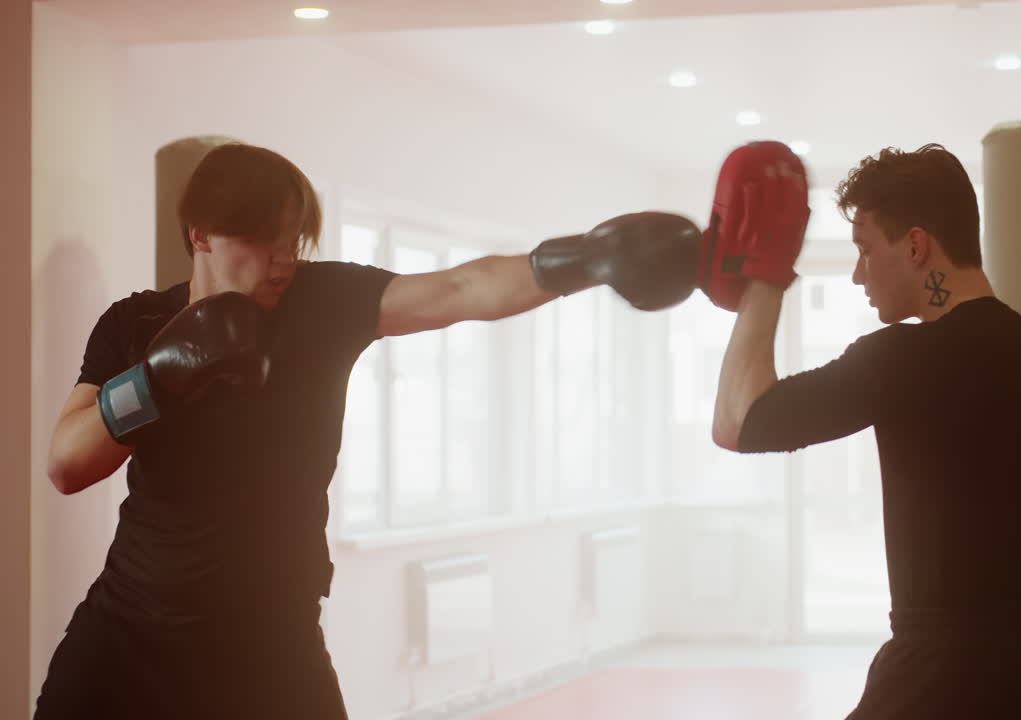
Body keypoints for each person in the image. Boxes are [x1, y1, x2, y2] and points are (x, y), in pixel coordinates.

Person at [36, 142, 700, 719]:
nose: (282, 260)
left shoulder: (322, 302)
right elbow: (67, 465)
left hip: (272, 640)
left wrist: (585, 259)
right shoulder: (134, 325)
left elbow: (460, 290)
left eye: (292, 239)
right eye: (262, 239)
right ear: (201, 234)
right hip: (130, 631)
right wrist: (156, 376)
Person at [704, 141, 1021, 719]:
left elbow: (738, 421)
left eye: (864, 249)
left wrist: (767, 275)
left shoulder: (900, 361)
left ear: (916, 246)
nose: (858, 274)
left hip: (938, 677)